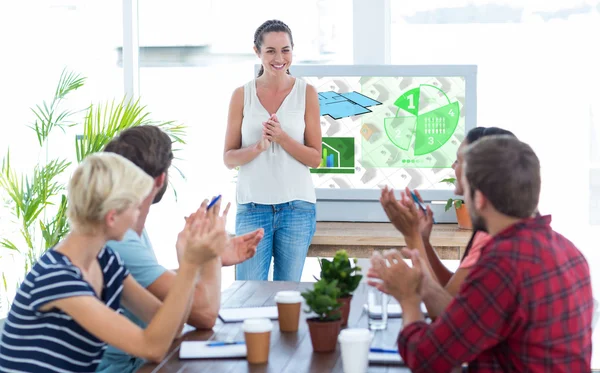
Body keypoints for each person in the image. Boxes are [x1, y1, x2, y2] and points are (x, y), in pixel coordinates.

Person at [368, 136, 593, 372]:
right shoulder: (568, 250)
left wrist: (408, 299)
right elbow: (463, 322)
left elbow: (426, 359)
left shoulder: (504, 264)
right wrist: (422, 284)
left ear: (479, 198)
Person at [0, 153, 227, 372]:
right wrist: (189, 265)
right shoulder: (57, 277)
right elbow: (152, 348)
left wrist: (190, 258)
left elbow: (172, 328)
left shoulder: (105, 261)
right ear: (112, 216)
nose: (139, 215)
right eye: (136, 207)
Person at [96, 125, 264, 373]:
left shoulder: (125, 237)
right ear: (160, 179)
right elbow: (204, 314)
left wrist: (204, 258)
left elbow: (167, 313)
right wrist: (207, 257)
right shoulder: (120, 241)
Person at [379, 127, 516, 317]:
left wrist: (411, 236)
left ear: (476, 172)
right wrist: (423, 241)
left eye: (458, 161)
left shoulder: (493, 241)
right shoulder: (490, 230)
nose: (453, 166)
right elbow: (452, 294)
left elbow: (445, 318)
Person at [223, 19, 322, 281]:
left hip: (297, 209)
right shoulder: (241, 95)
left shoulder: (307, 93)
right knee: (247, 292)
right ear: (257, 52)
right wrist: (257, 147)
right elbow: (229, 158)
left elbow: (315, 158)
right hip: (253, 207)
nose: (279, 58)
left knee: (287, 294)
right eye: (270, 51)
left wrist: (282, 138)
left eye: (285, 50)